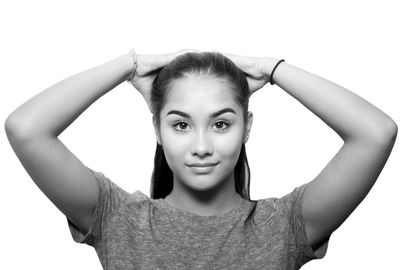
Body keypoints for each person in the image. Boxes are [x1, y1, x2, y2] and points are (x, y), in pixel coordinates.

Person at [4, 48, 397, 269]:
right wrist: (130, 65)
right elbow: (26, 128)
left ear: (247, 127)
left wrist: (273, 69)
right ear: (156, 129)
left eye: (222, 124)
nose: (202, 145)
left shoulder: (285, 227)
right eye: (181, 125)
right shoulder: (118, 220)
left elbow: (375, 133)